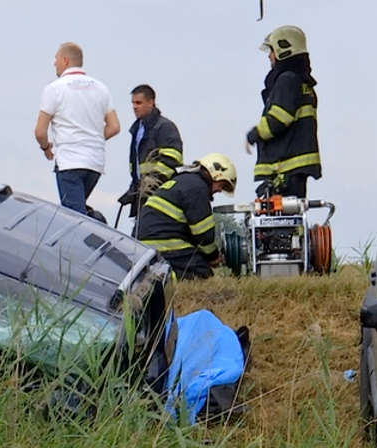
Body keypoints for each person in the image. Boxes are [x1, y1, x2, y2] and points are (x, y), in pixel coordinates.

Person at [35, 42, 120, 216]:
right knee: (79, 210)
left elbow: (40, 132)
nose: (54, 63)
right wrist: (93, 137)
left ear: (65, 60)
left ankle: (97, 227)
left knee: (74, 218)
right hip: (95, 162)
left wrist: (45, 148)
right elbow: (114, 126)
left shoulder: (55, 89)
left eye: (56, 58)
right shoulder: (101, 88)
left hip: (69, 161)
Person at [245, 25, 321, 199]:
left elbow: (279, 118)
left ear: (284, 51)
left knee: (279, 214)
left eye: (272, 50)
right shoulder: (303, 84)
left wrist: (254, 134)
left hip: (285, 169)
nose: (269, 56)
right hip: (294, 170)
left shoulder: (287, 80)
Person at [136, 153, 237, 280]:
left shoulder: (184, 181)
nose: (219, 190)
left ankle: (159, 276)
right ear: (215, 174)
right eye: (221, 185)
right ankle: (165, 280)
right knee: (202, 273)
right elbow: (203, 234)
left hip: (146, 245)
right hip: (163, 244)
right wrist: (214, 257)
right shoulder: (197, 188)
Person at [117, 84, 184, 236]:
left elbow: (173, 160)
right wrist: (134, 189)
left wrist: (151, 183)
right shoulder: (137, 129)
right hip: (143, 196)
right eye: (133, 103)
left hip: (160, 195)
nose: (134, 107)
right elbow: (137, 166)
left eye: (138, 103)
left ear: (151, 102)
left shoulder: (165, 127)